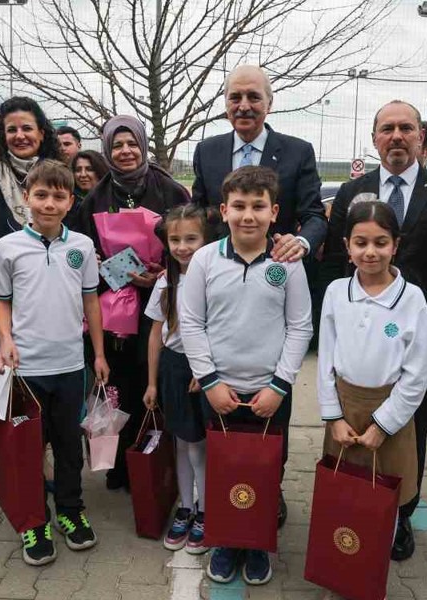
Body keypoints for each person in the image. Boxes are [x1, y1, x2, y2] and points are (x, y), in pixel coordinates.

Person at [321, 100, 427, 560]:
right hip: (357, 337)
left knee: (409, 432)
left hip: (412, 345)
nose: (397, 136)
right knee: (349, 438)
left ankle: (401, 514)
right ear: (374, 139)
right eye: (387, 129)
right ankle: (349, 507)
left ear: (421, 137)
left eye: (406, 128)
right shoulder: (353, 192)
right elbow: (332, 264)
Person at [179, 165, 314, 587]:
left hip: (269, 393)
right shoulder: (204, 259)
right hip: (219, 390)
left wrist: (280, 385)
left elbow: (300, 326)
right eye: (239, 206)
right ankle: (225, 541)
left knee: (266, 468)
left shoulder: (286, 262)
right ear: (223, 210)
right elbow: (190, 322)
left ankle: (256, 541)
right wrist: (211, 379)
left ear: (275, 212)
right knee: (222, 467)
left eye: (259, 206)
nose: (248, 215)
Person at [0, 160, 109, 566]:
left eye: (59, 196)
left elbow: (91, 301)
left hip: (71, 367)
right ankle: (33, 520)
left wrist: (98, 352)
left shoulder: (82, 247)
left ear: (70, 201)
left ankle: (70, 512)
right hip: (26, 372)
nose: (49, 203)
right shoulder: (7, 248)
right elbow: (1, 302)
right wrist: (6, 340)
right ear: (27, 198)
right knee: (28, 451)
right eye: (41, 195)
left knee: (69, 447)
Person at [72, 115, 190, 490]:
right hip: (115, 310)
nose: (125, 151)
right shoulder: (96, 196)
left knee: (154, 381)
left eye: (132, 144)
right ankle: (122, 466)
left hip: (164, 302)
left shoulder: (170, 191)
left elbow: (192, 240)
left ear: (143, 145)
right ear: (107, 150)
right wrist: (125, 272)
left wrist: (159, 272)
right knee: (120, 385)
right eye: (117, 145)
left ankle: (160, 463)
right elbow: (84, 256)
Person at [318, 200, 427, 569]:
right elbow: (325, 362)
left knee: (383, 499)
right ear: (347, 247)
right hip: (344, 413)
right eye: (361, 242)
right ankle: (339, 567)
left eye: (381, 243)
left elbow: (416, 375)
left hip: (389, 417)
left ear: (395, 245)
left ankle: (370, 571)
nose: (370, 252)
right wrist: (333, 417)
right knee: (344, 496)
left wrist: (384, 425)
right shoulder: (336, 292)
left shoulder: (412, 299)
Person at [0, 99, 63, 435]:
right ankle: (13, 447)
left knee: (43, 379)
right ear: (1, 135)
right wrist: (9, 287)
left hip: (49, 295)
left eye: (27, 128)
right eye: (11, 130)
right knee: (3, 370)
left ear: (41, 132)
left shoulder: (58, 173)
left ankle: (45, 439)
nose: (20, 135)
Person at [190, 65, 327, 264]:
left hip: (279, 267)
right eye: (235, 98)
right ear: (226, 103)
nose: (243, 106)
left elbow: (314, 216)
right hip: (218, 271)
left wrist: (300, 243)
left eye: (253, 97)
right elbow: (197, 214)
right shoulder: (206, 151)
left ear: (269, 104)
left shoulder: (299, 152)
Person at [143, 204, 212, 555]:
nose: (183, 246)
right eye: (175, 239)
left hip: (206, 372)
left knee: (199, 444)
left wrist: (207, 372)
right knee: (181, 443)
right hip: (173, 368)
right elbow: (156, 334)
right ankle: (186, 507)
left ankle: (205, 510)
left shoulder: (216, 277)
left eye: (191, 238)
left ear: (207, 239)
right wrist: (152, 382)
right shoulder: (165, 281)